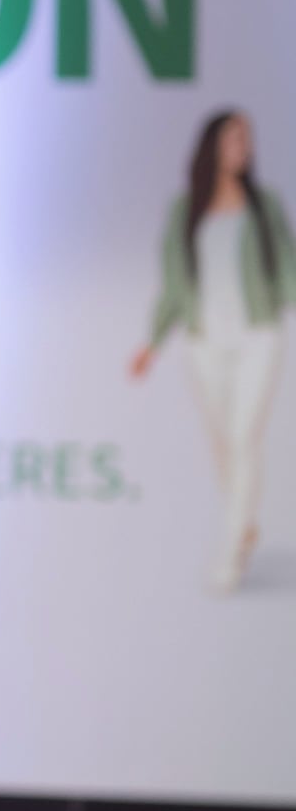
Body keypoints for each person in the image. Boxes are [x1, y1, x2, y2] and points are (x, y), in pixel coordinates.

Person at [130, 107, 295, 592]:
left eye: (248, 138)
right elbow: (174, 285)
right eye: (234, 138)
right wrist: (153, 342)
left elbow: (286, 270)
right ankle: (242, 519)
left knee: (244, 437)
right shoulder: (186, 211)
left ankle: (229, 555)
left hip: (258, 335)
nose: (244, 147)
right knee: (223, 440)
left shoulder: (265, 206)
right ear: (213, 147)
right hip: (205, 340)